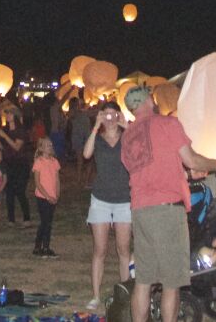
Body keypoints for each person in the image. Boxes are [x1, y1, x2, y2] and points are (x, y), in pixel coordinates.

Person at [121, 85, 216, 322]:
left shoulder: (128, 136)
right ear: (148, 100)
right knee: (172, 281)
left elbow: (149, 168)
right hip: (167, 210)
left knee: (143, 280)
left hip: (140, 209)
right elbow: (191, 159)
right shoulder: (167, 124)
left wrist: (183, 175)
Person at [81, 101, 132, 310]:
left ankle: (127, 296)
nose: (110, 119)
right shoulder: (98, 139)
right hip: (101, 199)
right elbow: (86, 154)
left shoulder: (127, 137)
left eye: (113, 114)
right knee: (99, 250)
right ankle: (95, 296)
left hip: (124, 200)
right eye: (106, 115)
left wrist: (128, 127)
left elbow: (143, 149)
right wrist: (95, 126)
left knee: (123, 250)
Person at [0, 107, 33, 225]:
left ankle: (26, 218)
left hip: (21, 163)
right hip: (9, 163)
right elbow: (2, 147)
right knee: (9, 192)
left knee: (20, 191)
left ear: (15, 116)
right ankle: (11, 219)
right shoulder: (6, 130)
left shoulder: (20, 130)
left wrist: (4, 136)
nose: (7, 116)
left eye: (9, 114)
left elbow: (17, 147)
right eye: (6, 114)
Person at [31, 137, 60, 258]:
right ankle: (42, 246)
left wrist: (57, 194)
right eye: (47, 145)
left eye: (51, 145)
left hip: (52, 196)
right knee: (46, 222)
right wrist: (47, 196)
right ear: (41, 148)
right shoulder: (39, 162)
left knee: (47, 222)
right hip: (42, 197)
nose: (50, 147)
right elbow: (37, 182)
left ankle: (41, 246)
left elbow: (57, 180)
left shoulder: (54, 162)